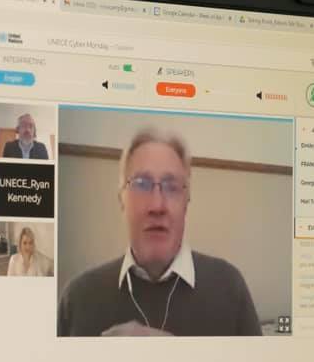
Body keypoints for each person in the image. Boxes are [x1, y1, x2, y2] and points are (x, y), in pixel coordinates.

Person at [58, 129, 262, 337]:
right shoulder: (77, 299)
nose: (157, 205)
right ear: (122, 199)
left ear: (186, 202)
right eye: (141, 184)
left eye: (172, 187)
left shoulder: (229, 288)